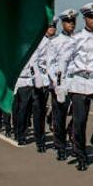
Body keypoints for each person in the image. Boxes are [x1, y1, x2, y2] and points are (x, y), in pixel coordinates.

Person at [65, 2, 93, 171]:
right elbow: (66, 61)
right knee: (80, 122)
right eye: (90, 17)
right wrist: (65, 84)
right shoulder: (76, 38)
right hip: (79, 83)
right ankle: (81, 155)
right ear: (84, 19)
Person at [49, 9, 79, 161]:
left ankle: (74, 139)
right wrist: (57, 84)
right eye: (68, 21)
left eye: (73, 21)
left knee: (79, 115)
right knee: (59, 116)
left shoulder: (79, 39)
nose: (71, 24)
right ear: (62, 23)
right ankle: (60, 146)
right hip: (62, 82)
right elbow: (50, 65)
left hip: (77, 82)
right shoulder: (55, 42)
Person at [30, 17, 59, 153]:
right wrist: (37, 79)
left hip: (54, 80)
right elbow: (33, 61)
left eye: (54, 26)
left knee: (60, 108)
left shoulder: (58, 42)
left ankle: (58, 138)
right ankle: (40, 140)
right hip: (41, 79)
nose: (52, 28)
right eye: (50, 26)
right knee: (39, 111)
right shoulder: (39, 41)